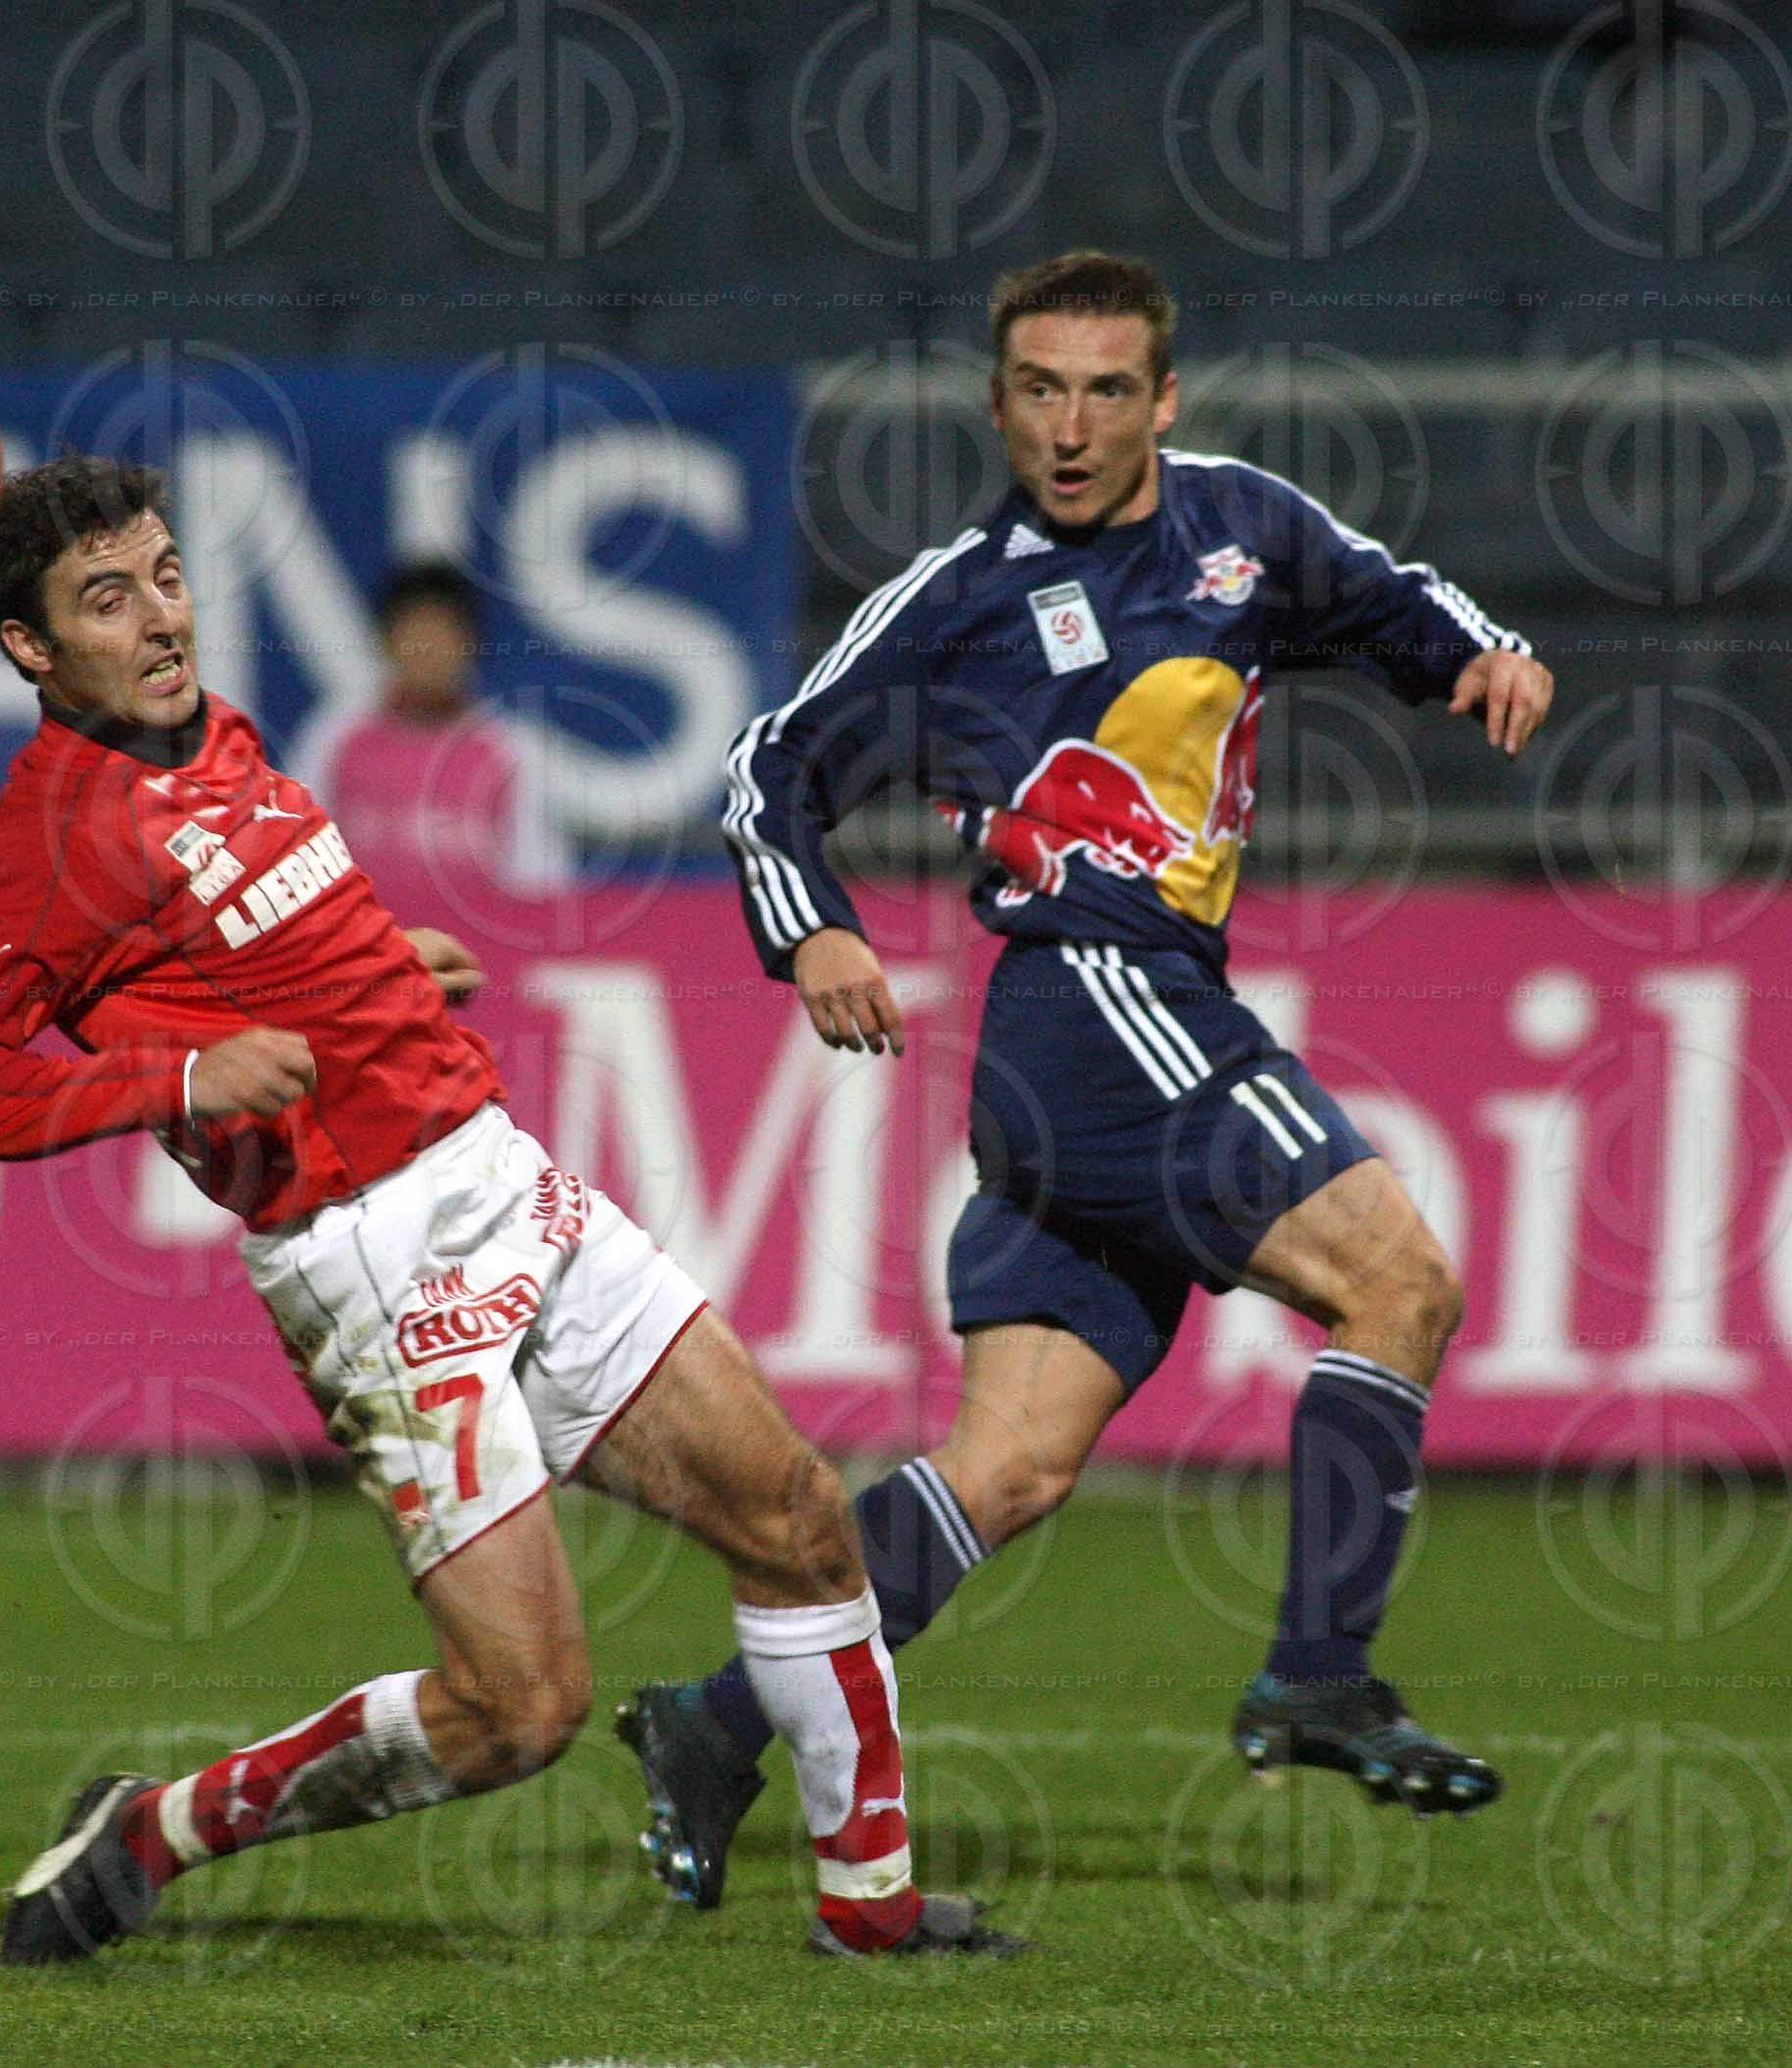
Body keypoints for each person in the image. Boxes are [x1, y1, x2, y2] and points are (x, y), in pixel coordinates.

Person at [0, 455, 1020, 1963]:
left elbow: (256, 923)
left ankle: (870, 1910)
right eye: (107, 599)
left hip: (497, 1174)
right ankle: (159, 1826)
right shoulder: (52, 839)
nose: (160, 618)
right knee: (519, 1711)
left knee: (800, 1514)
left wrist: (384, 968)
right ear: (30, 648)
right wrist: (169, 1078)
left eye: (163, 574)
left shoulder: (211, 729)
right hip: (369, 1258)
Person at [617, 250, 1555, 1909]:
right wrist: (811, 929)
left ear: (1164, 401)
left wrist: (1483, 652)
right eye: (1039, 388)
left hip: (1102, 1041)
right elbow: (769, 764)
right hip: (1092, 995)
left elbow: (1389, 602)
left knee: (1011, 1467)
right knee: (1400, 1279)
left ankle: (710, 1723)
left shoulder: (1238, 526)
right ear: (995, 403)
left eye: (1106, 388)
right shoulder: (958, 596)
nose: (1070, 422)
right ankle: (1320, 1673)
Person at [309, 561, 573, 905]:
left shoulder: (510, 751)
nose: (428, 650)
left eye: (442, 634)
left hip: (475, 955)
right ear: (387, 641)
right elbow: (296, 861)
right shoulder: (334, 739)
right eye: (415, 633)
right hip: (357, 951)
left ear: (471, 644)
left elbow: (539, 881)